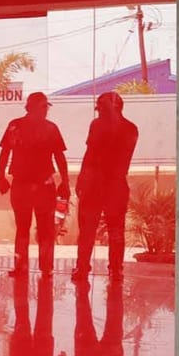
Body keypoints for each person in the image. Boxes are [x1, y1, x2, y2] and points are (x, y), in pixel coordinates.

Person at [0, 92, 70, 278]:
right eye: (44, 106)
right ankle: (33, 267)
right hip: (30, 184)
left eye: (46, 107)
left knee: (37, 228)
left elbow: (59, 156)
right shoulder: (18, 126)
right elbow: (5, 152)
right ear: (34, 108)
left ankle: (42, 267)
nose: (46, 110)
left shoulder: (30, 127)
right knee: (29, 228)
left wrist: (65, 182)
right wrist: (0, 176)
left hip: (37, 184)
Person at [73, 91, 139, 282]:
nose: (98, 110)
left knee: (87, 229)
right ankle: (116, 270)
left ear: (110, 107)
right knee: (116, 230)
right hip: (117, 183)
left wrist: (82, 178)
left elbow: (91, 154)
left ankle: (82, 267)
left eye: (100, 107)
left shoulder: (98, 125)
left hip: (96, 182)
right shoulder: (131, 129)